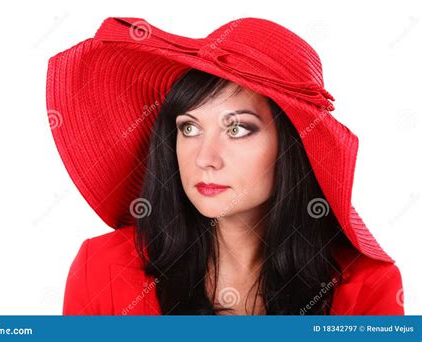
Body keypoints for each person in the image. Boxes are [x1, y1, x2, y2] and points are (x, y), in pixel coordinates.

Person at [46, 17, 405, 315]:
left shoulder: (366, 288)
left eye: (237, 128)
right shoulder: (102, 269)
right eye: (189, 128)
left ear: (292, 145)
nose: (205, 158)